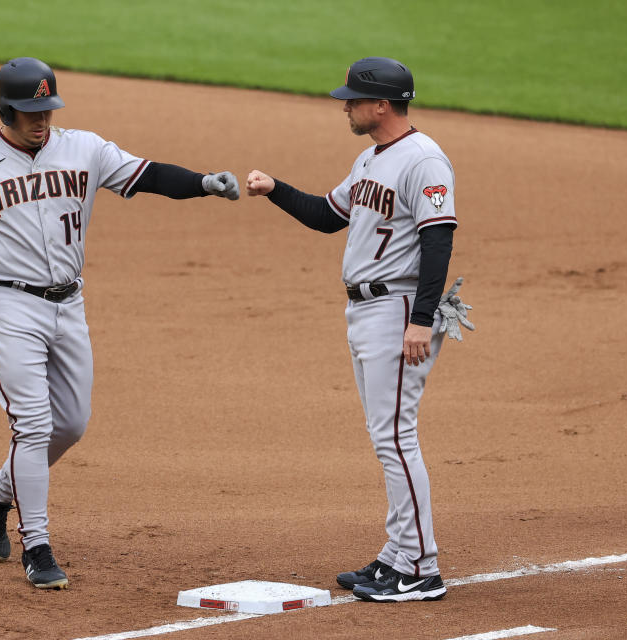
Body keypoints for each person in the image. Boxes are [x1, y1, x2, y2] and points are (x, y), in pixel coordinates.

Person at [0, 57, 240, 590]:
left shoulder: (85, 148)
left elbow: (148, 175)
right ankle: (38, 546)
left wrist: (204, 182)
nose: (42, 120)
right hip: (7, 307)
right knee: (32, 425)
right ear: (5, 109)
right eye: (31, 111)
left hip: (68, 304)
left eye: (47, 108)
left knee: (71, 424)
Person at [246, 57, 473, 602]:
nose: (344, 106)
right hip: (368, 311)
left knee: (395, 437)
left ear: (383, 105)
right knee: (386, 437)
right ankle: (398, 555)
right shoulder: (370, 158)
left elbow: (439, 238)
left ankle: (421, 567)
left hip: (399, 310)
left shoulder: (425, 161)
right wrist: (275, 187)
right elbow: (329, 215)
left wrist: (420, 320)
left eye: (352, 99)